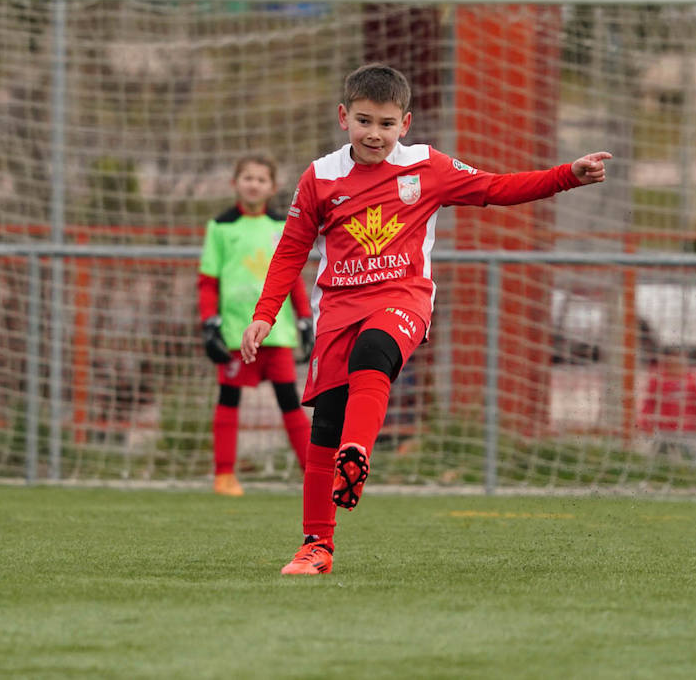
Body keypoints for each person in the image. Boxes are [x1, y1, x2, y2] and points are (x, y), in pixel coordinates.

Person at [239, 62, 610, 575]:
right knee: (323, 425)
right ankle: (316, 548)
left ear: (405, 124)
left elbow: (495, 188)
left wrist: (566, 176)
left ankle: (358, 452)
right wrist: (264, 315)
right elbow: (290, 251)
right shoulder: (320, 178)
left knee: (375, 351)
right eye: (365, 121)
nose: (375, 134)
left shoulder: (427, 167)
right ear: (343, 117)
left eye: (386, 124)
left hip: (403, 298)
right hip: (337, 309)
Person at [199, 155, 315, 496]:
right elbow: (208, 281)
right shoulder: (220, 227)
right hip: (235, 331)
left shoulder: (282, 227)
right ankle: (224, 475)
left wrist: (305, 318)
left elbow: (291, 277)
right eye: (247, 177)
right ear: (235, 183)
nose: (253, 184)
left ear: (273, 187)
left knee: (289, 401)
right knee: (229, 398)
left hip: (276, 332)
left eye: (261, 179)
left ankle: (313, 474)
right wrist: (210, 322)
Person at [638, 348, 696, 455]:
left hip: (687, 431)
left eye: (679, 357)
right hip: (663, 430)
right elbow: (649, 404)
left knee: (686, 457)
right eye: (673, 357)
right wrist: (645, 423)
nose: (676, 361)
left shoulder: (692, 380)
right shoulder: (658, 379)